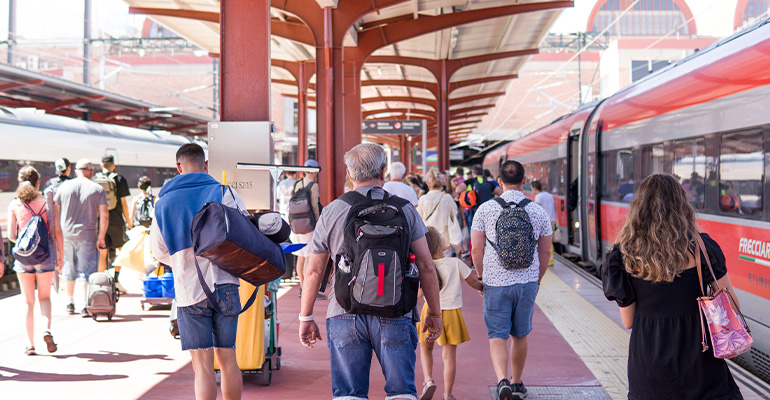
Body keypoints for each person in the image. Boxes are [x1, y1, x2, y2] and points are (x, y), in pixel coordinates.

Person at [298, 143, 443, 400]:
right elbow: (426, 266)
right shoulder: (406, 209)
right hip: (397, 310)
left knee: (349, 394)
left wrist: (306, 316)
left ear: (349, 173)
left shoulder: (332, 210)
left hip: (344, 310)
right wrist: (434, 312)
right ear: (384, 171)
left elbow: (313, 270)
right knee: (401, 392)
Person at [601, 174, 743, 400]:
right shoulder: (703, 249)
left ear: (639, 209)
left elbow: (628, 321)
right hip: (700, 361)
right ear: (682, 206)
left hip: (650, 363)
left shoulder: (623, 256)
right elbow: (731, 307)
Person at [150, 143, 244, 400]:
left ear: (178, 167)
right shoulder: (225, 193)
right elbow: (245, 235)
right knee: (228, 360)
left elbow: (158, 251)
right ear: (205, 166)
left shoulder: (163, 203)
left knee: (202, 366)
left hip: (189, 289)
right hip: (225, 284)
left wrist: (183, 261)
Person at [470, 160, 552, 400]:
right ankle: (517, 383)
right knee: (520, 335)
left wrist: (482, 277)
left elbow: (476, 249)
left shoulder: (484, 209)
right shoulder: (537, 210)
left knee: (497, 335)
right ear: (524, 181)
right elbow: (545, 252)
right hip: (526, 282)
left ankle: (501, 381)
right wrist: (536, 279)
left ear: (499, 181)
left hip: (495, 282)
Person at [417, 227, 482, 400]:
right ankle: (447, 394)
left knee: (425, 347)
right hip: (452, 312)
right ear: (440, 244)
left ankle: (428, 380)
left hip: (429, 311)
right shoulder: (455, 263)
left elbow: (419, 294)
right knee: (449, 356)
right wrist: (482, 289)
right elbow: (474, 282)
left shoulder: (425, 266)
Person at [8, 166, 63, 355]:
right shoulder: (48, 203)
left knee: (28, 302)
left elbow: (11, 236)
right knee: (45, 297)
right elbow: (56, 232)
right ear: (38, 182)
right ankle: (46, 329)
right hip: (46, 255)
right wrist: (60, 257)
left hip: (24, 258)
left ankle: (30, 345)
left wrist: (27, 242)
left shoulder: (15, 205)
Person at [55, 159, 108, 317]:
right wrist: (101, 237)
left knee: (68, 268)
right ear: (91, 171)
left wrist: (56, 234)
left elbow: (55, 211)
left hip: (66, 235)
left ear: (75, 170)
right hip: (88, 235)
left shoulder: (63, 187)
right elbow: (104, 214)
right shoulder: (97, 188)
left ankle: (70, 302)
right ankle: (85, 305)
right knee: (86, 270)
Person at [95, 155, 132, 294]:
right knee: (120, 250)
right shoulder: (119, 179)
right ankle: (116, 280)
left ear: (101, 165)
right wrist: (129, 222)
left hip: (101, 220)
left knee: (102, 251)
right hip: (116, 220)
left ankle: (101, 283)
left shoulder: (95, 179)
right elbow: (123, 204)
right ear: (113, 164)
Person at [292, 159, 324, 300]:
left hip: (296, 224)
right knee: (309, 256)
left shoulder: (297, 184)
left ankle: (301, 286)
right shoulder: (313, 185)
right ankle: (307, 290)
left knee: (301, 256)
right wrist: (318, 221)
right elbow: (314, 205)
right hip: (308, 224)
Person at [417, 168, 462, 257]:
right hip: (444, 239)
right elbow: (455, 214)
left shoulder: (423, 199)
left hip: (428, 238)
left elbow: (419, 218)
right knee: (445, 266)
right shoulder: (447, 198)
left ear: (428, 183)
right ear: (441, 183)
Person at [531, 180, 557, 267]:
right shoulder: (549, 195)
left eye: (532, 189)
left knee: (544, 242)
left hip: (544, 221)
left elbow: (537, 209)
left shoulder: (538, 196)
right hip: (552, 220)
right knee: (549, 241)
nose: (532, 191)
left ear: (535, 188)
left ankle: (547, 261)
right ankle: (551, 260)